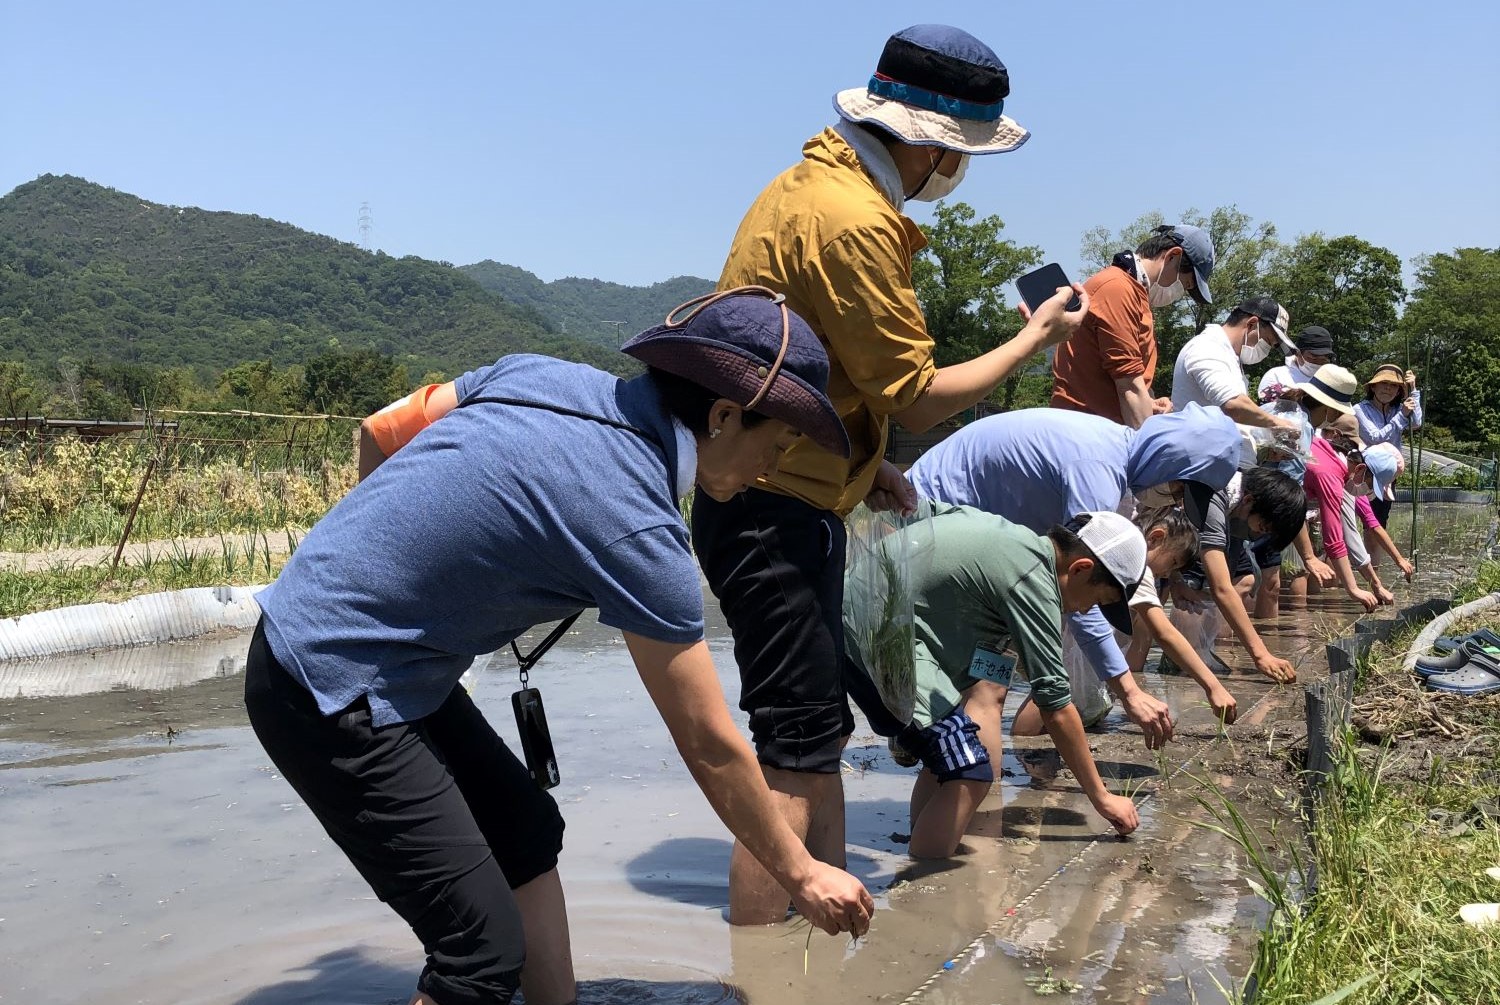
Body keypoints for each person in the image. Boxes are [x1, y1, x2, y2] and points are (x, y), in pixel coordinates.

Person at [244, 290, 875, 1005]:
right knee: (477, 954)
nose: (772, 467)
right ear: (725, 415)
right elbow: (708, 740)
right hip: (326, 685)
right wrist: (802, 872)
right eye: (778, 441)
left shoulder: (536, 375)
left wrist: (390, 574)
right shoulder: (637, 527)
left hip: (350, 649)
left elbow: (379, 431)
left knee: (526, 830)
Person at [694, 24, 1088, 925]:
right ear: (928, 141)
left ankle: (819, 952)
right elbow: (912, 396)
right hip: (771, 510)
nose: (960, 171)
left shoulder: (806, 188)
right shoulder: (855, 222)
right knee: (794, 752)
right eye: (962, 152)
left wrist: (867, 469)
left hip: (786, 494)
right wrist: (1032, 341)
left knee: (815, 740)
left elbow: (813, 363)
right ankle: (761, 975)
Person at [906, 403, 1242, 746]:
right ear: (1169, 460)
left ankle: (928, 740)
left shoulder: (1112, 456)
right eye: (1177, 489)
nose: (1170, 499)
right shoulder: (1097, 471)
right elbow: (1085, 592)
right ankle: (953, 762)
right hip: (929, 528)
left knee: (986, 682)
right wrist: (1129, 692)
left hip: (964, 539)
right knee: (986, 688)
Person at [844, 506, 1145, 859]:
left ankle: (924, 842)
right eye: (1096, 601)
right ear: (1080, 569)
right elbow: (1056, 704)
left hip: (856, 617)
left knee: (949, 754)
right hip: (878, 637)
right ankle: (928, 880)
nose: (1082, 611)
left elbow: (914, 509)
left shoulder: (1011, 537)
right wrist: (1101, 797)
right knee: (971, 768)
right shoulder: (1033, 579)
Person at [1051, 223, 1217, 427]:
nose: (1181, 293)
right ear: (1172, 256)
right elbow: (1128, 386)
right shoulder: (1118, 288)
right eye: (1186, 283)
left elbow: (1129, 383)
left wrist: (1149, 403)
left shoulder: (1135, 293)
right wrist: (1149, 450)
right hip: (1087, 434)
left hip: (1105, 430)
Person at [1170, 465, 1308, 682]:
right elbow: (1222, 589)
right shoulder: (1214, 498)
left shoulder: (1231, 493)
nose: (1255, 535)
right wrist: (1261, 655)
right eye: (1261, 528)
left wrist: (1174, 578)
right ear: (1249, 501)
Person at [1122, 511, 1237, 724]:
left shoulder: (1122, 533)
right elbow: (1164, 632)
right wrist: (1213, 687)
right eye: (1172, 562)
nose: (1167, 574)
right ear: (1155, 538)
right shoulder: (1135, 563)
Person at [1170, 296, 1301, 433]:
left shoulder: (1230, 355)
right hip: (1198, 450)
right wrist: (1278, 423)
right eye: (1268, 341)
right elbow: (1234, 406)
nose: (1267, 351)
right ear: (1251, 324)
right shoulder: (1208, 347)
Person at [1355, 364, 1423, 525]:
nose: (1388, 389)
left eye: (1394, 386)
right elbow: (1375, 437)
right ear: (1373, 387)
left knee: (1381, 517)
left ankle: (1375, 550)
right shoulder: (1360, 409)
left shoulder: (1398, 408)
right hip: (1368, 472)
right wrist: (1402, 415)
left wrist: (1413, 390)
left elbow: (1416, 422)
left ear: (1399, 391)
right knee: (1368, 518)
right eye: (1384, 383)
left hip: (1389, 473)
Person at [1257, 324, 1337, 398]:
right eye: (1313, 358)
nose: (1317, 364)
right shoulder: (1276, 376)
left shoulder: (1331, 381)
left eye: (1323, 360)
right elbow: (1265, 408)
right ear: (1297, 353)